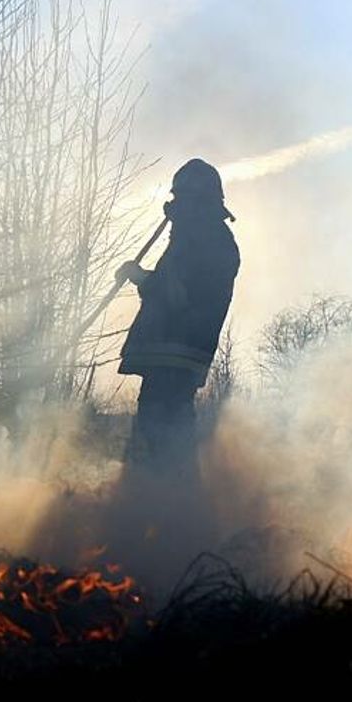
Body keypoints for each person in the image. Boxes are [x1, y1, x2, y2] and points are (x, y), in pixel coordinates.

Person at [115, 158, 240, 472]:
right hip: (171, 356)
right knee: (159, 438)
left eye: (180, 199)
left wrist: (139, 277)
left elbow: (175, 293)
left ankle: (171, 507)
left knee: (164, 438)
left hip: (175, 354)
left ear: (196, 201)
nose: (173, 205)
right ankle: (163, 505)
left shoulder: (206, 241)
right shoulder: (196, 238)